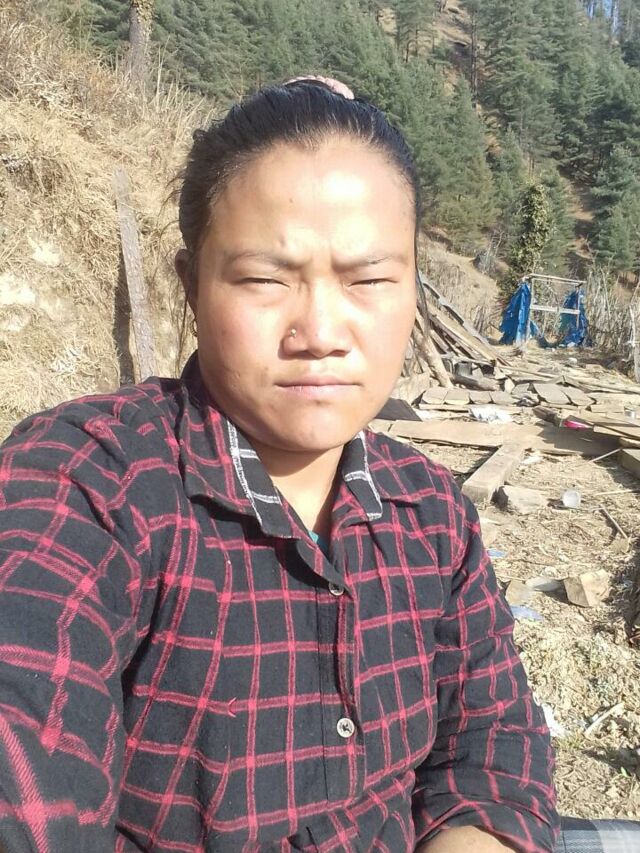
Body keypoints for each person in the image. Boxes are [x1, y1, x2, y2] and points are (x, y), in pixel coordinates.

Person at [0, 76, 577, 852]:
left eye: (368, 279)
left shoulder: (434, 516)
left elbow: (492, 750)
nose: (321, 332)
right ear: (191, 287)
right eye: (265, 279)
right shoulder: (88, 485)